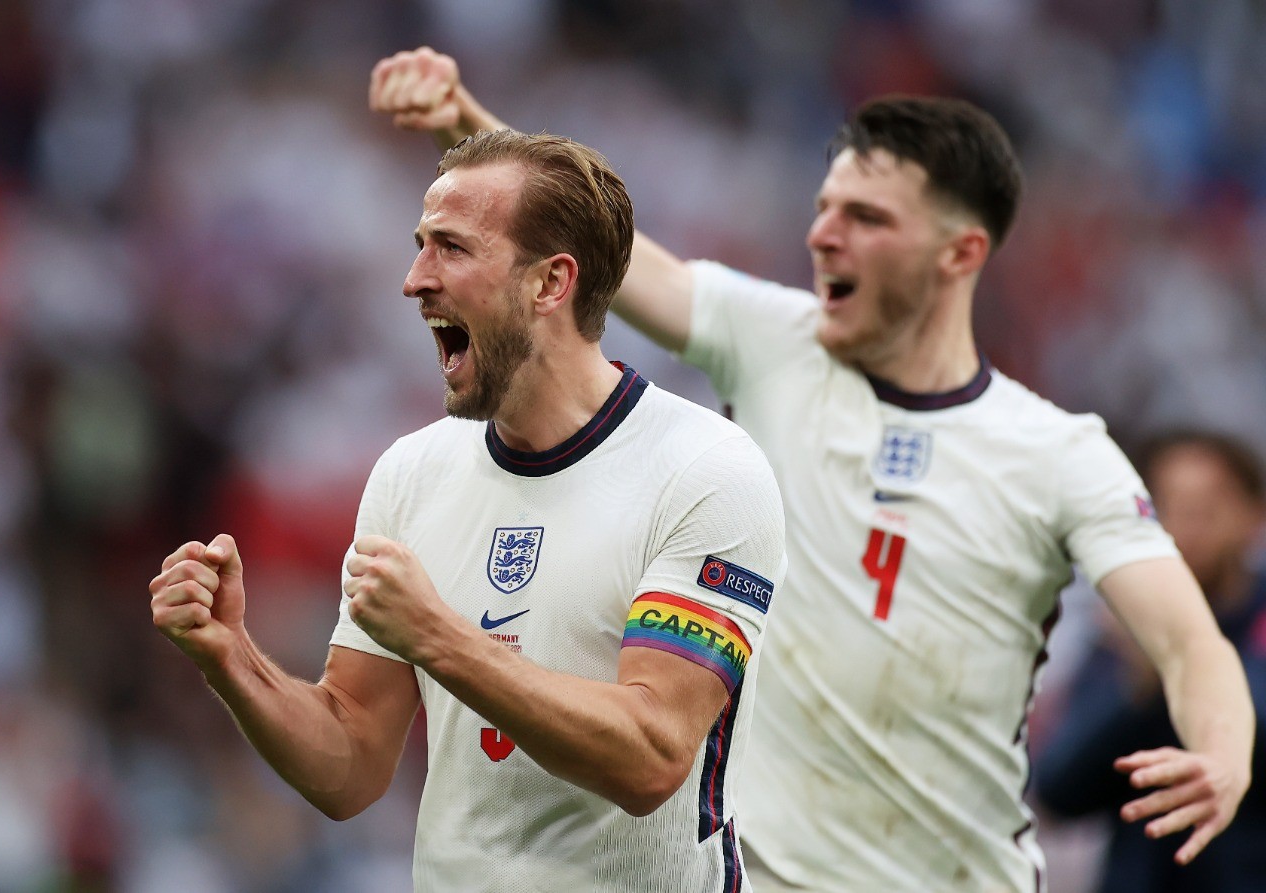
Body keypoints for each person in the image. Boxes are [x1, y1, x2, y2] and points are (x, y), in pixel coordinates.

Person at [368, 48, 1256, 892]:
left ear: (961, 254)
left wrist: (1222, 753)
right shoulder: (774, 343)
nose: (823, 236)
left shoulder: (1059, 449)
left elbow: (1189, 641)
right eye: (826, 207)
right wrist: (470, 122)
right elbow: (588, 258)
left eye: (866, 218)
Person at [149, 128, 787, 892]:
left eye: (451, 248)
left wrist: (441, 637)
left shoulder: (705, 468)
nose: (415, 279)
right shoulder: (410, 473)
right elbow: (351, 764)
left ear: (550, 284)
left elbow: (651, 756)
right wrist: (233, 657)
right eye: (421, 245)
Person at [1034, 429, 1266, 892]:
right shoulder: (1126, 631)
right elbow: (1058, 789)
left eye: (1207, 508)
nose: (1189, 526)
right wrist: (1134, 688)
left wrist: (1185, 672)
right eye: (1170, 508)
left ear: (1252, 513)